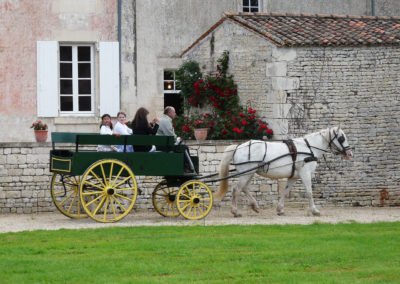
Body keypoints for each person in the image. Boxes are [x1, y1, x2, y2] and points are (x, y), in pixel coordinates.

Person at [156, 106, 195, 173]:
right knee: (184, 148)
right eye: (174, 112)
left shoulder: (164, 120)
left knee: (183, 147)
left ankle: (186, 167)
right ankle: (187, 168)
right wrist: (177, 139)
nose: (175, 114)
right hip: (164, 146)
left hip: (162, 144)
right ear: (169, 113)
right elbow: (171, 136)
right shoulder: (166, 121)